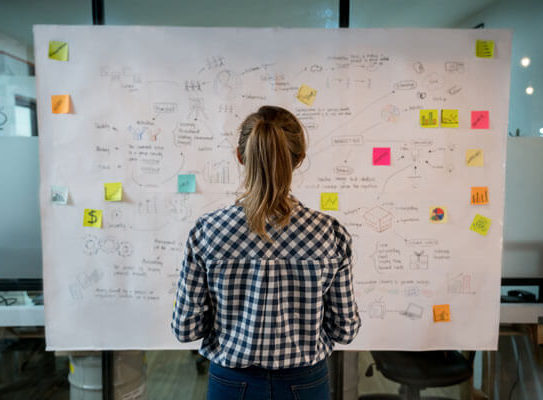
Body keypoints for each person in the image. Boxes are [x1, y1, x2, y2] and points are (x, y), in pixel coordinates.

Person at [171, 105, 361, 400]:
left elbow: (186, 328)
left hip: (232, 382)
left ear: (240, 156)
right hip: (306, 383)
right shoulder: (329, 232)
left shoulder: (207, 231)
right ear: (298, 160)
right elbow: (345, 330)